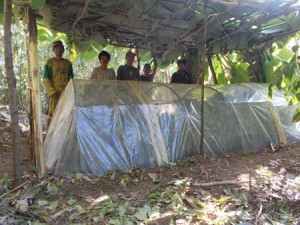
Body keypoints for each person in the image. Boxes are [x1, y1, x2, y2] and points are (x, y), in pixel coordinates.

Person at [43, 40, 74, 127]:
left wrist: (69, 91)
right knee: (53, 113)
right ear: (54, 50)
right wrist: (52, 91)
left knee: (65, 112)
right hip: (55, 93)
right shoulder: (49, 62)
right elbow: (46, 79)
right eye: (56, 48)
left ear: (63, 50)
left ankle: (62, 134)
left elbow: (71, 79)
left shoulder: (68, 64)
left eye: (60, 48)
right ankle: (50, 134)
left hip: (65, 92)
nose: (59, 50)